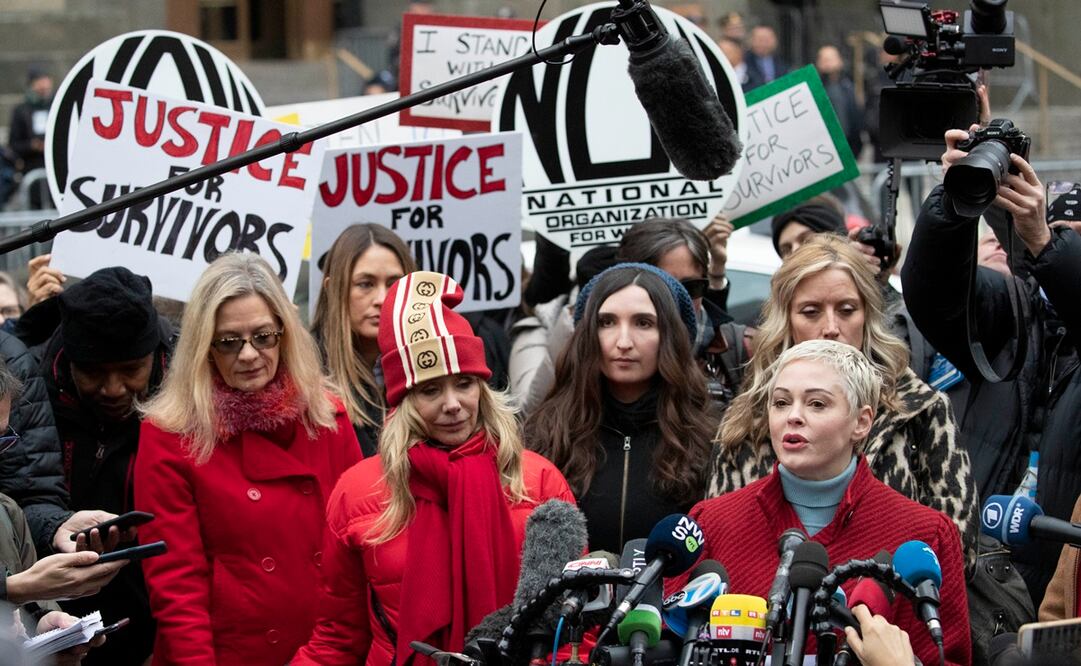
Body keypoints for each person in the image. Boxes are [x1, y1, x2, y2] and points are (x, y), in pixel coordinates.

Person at [294, 271, 574, 666]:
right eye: (430, 390)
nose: (453, 404)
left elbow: (573, 628)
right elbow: (339, 636)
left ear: (483, 387)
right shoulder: (358, 491)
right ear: (403, 402)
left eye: (464, 383)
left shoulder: (539, 480)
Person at [679, 339, 971, 666]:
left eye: (817, 404)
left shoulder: (926, 535)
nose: (794, 416)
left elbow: (947, 658)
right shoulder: (712, 522)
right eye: (780, 403)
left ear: (861, 422)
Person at [135, 253, 362, 664]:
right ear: (204, 348)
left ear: (284, 334)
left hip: (326, 650)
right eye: (229, 342)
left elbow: (357, 556)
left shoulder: (329, 418)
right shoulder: (170, 435)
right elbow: (177, 586)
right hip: (229, 653)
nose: (249, 355)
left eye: (263, 337)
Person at [710, 234, 979, 567]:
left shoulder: (921, 410)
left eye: (847, 310)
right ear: (787, 321)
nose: (831, 328)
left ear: (867, 315)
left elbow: (956, 552)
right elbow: (720, 556)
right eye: (811, 312)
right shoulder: (747, 421)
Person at [902, 132, 1081, 609]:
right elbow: (935, 292)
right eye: (1065, 233)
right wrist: (956, 197)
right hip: (977, 576)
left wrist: (1047, 242)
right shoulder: (1015, 312)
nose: (1068, 247)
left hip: (1065, 586)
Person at [23, 267, 175, 665]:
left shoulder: (189, 395)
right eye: (93, 373)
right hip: (56, 621)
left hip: (164, 620)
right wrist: (53, 526)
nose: (113, 389)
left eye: (130, 371)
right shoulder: (30, 393)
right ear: (68, 360)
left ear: (155, 356)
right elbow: (20, 494)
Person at [525, 264, 714, 551]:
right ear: (587, 334)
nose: (623, 342)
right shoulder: (545, 435)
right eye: (607, 322)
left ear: (671, 336)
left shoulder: (711, 439)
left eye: (643, 323)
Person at [0, 357, 124, 665]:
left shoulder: (7, 512)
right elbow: (19, 588)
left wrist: (47, 629)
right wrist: (15, 588)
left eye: (1, 438)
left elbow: (26, 619)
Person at [312, 223, 416, 457]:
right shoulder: (305, 376)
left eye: (394, 283)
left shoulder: (433, 366)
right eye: (365, 284)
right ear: (332, 289)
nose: (382, 298)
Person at [7, 67, 53, 209]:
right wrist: (32, 145)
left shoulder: (54, 106)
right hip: (32, 168)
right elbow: (14, 143)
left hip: (52, 167)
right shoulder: (21, 111)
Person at [815, 45, 863, 159]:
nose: (828, 63)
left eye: (831, 59)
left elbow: (855, 119)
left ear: (840, 61)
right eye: (824, 59)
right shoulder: (815, 88)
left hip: (848, 148)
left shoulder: (848, 87)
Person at [743, 25, 788, 90]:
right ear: (751, 40)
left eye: (767, 40)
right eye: (760, 40)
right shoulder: (743, 61)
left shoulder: (781, 61)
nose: (763, 44)